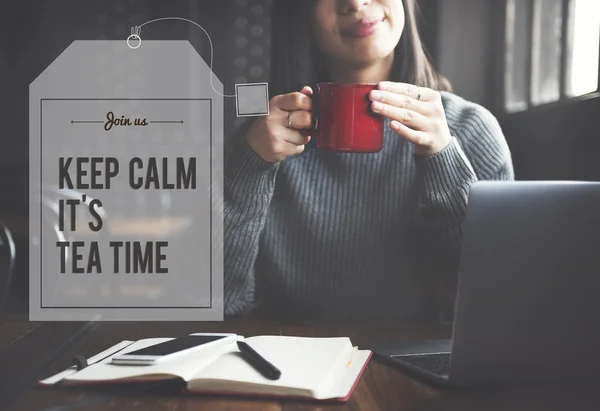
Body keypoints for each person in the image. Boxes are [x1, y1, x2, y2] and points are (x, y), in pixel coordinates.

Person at [223, 0, 514, 321]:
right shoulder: (261, 139)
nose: (354, 2)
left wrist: (443, 159)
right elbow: (224, 303)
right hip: (292, 364)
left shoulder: (469, 130)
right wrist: (251, 167)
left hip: (419, 365)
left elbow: (497, 306)